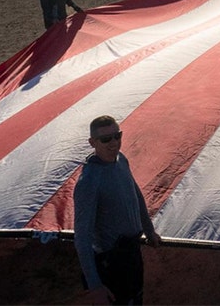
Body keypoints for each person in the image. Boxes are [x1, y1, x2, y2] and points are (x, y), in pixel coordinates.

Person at [74, 115, 161, 305]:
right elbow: (82, 237)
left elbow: (135, 196)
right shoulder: (88, 181)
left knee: (136, 299)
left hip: (131, 254)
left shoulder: (121, 160)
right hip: (111, 263)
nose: (113, 143)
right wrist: (95, 286)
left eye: (117, 136)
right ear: (92, 142)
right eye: (105, 139)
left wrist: (149, 230)